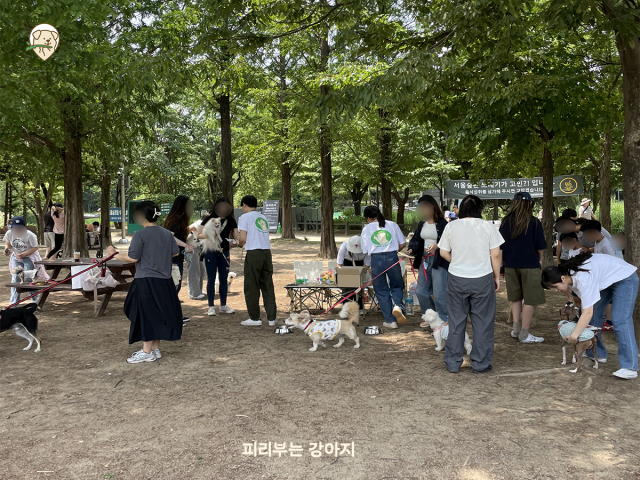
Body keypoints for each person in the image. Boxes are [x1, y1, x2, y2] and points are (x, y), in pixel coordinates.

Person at [106, 201, 183, 364]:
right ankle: (154, 349)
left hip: (146, 281)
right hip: (164, 281)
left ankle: (146, 351)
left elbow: (132, 257)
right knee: (157, 314)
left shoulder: (140, 234)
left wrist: (114, 253)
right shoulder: (167, 234)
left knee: (145, 315)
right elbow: (174, 253)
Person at [541, 252, 639, 379]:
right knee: (593, 315)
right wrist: (583, 322)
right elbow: (586, 305)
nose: (556, 290)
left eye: (555, 287)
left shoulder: (582, 278)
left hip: (625, 278)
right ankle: (597, 354)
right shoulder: (571, 278)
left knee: (620, 319)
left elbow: (587, 312)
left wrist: (575, 335)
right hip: (607, 281)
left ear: (563, 278)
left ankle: (630, 367)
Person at [438, 195, 504, 374]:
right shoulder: (487, 226)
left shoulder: (451, 226)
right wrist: (496, 276)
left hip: (456, 278)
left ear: (460, 209)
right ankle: (480, 363)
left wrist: (457, 261)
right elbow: (496, 254)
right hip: (483, 277)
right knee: (483, 323)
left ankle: (452, 362)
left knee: (456, 321)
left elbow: (443, 252)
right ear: (480, 210)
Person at [499, 192, 546, 344]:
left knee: (515, 298)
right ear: (530, 204)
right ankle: (524, 334)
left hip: (510, 265)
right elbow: (540, 245)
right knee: (531, 299)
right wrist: (540, 259)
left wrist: (501, 266)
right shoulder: (533, 222)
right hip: (530, 264)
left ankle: (516, 329)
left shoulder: (506, 222)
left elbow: (500, 246)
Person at [360, 206, 407, 329]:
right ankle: (397, 305)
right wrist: (392, 252)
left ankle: (390, 321)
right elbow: (403, 243)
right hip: (392, 257)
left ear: (368, 218)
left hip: (376, 259)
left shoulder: (366, 229)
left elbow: (365, 250)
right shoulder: (392, 224)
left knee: (381, 289)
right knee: (397, 284)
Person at [406, 194, 449, 326]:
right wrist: (412, 249)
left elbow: (449, 242)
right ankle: (430, 315)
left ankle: (444, 320)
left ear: (433, 207)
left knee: (439, 293)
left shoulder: (443, 224)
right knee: (421, 291)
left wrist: (438, 246)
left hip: (439, 261)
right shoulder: (421, 224)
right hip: (424, 260)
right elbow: (416, 241)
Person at [237, 195, 277, 326]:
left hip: (254, 253)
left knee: (251, 285)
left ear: (244, 205)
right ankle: (272, 318)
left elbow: (242, 239)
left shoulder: (244, 217)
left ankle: (254, 318)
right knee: (267, 284)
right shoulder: (262, 217)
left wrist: (238, 243)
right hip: (266, 252)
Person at [199, 197, 239, 316]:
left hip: (224, 251)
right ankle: (211, 306)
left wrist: (235, 241)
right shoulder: (209, 219)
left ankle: (223, 305)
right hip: (210, 251)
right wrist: (210, 237)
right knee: (211, 279)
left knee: (223, 279)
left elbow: (236, 235)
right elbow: (199, 234)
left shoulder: (231, 220)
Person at [5, 216, 50, 304]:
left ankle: (34, 299)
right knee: (16, 278)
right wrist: (7, 250)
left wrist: (24, 254)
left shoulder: (30, 235)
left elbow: (35, 247)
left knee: (29, 277)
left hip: (29, 257)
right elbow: (8, 244)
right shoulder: (9, 233)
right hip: (16, 257)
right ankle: (14, 302)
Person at [336, 235, 369, 313]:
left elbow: (367, 264)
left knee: (359, 286)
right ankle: (345, 309)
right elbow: (339, 264)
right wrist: (345, 274)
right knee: (346, 287)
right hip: (347, 262)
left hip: (361, 263)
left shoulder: (367, 248)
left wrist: (360, 273)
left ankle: (360, 308)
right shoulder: (344, 246)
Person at [187, 216, 206, 300]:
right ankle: (193, 293)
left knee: (201, 270)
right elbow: (187, 229)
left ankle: (198, 290)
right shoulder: (199, 223)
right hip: (191, 249)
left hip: (198, 249)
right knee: (193, 270)